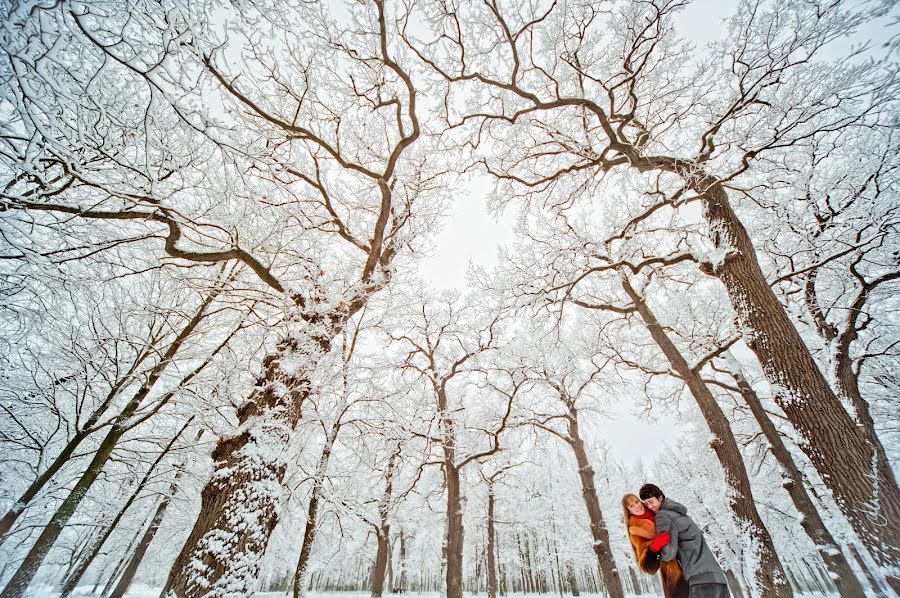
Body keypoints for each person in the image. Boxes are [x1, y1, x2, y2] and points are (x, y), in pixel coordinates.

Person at [639, 484, 729, 598]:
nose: (650, 506)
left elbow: (669, 553)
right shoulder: (680, 513)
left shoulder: (662, 516)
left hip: (700, 581)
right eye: (646, 504)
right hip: (718, 579)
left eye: (651, 502)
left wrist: (653, 554)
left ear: (660, 498)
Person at [622, 493, 689, 598]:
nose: (636, 506)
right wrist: (654, 547)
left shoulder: (657, 510)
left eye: (636, 501)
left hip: (691, 561)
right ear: (629, 511)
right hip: (675, 576)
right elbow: (648, 568)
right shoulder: (635, 531)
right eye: (631, 506)